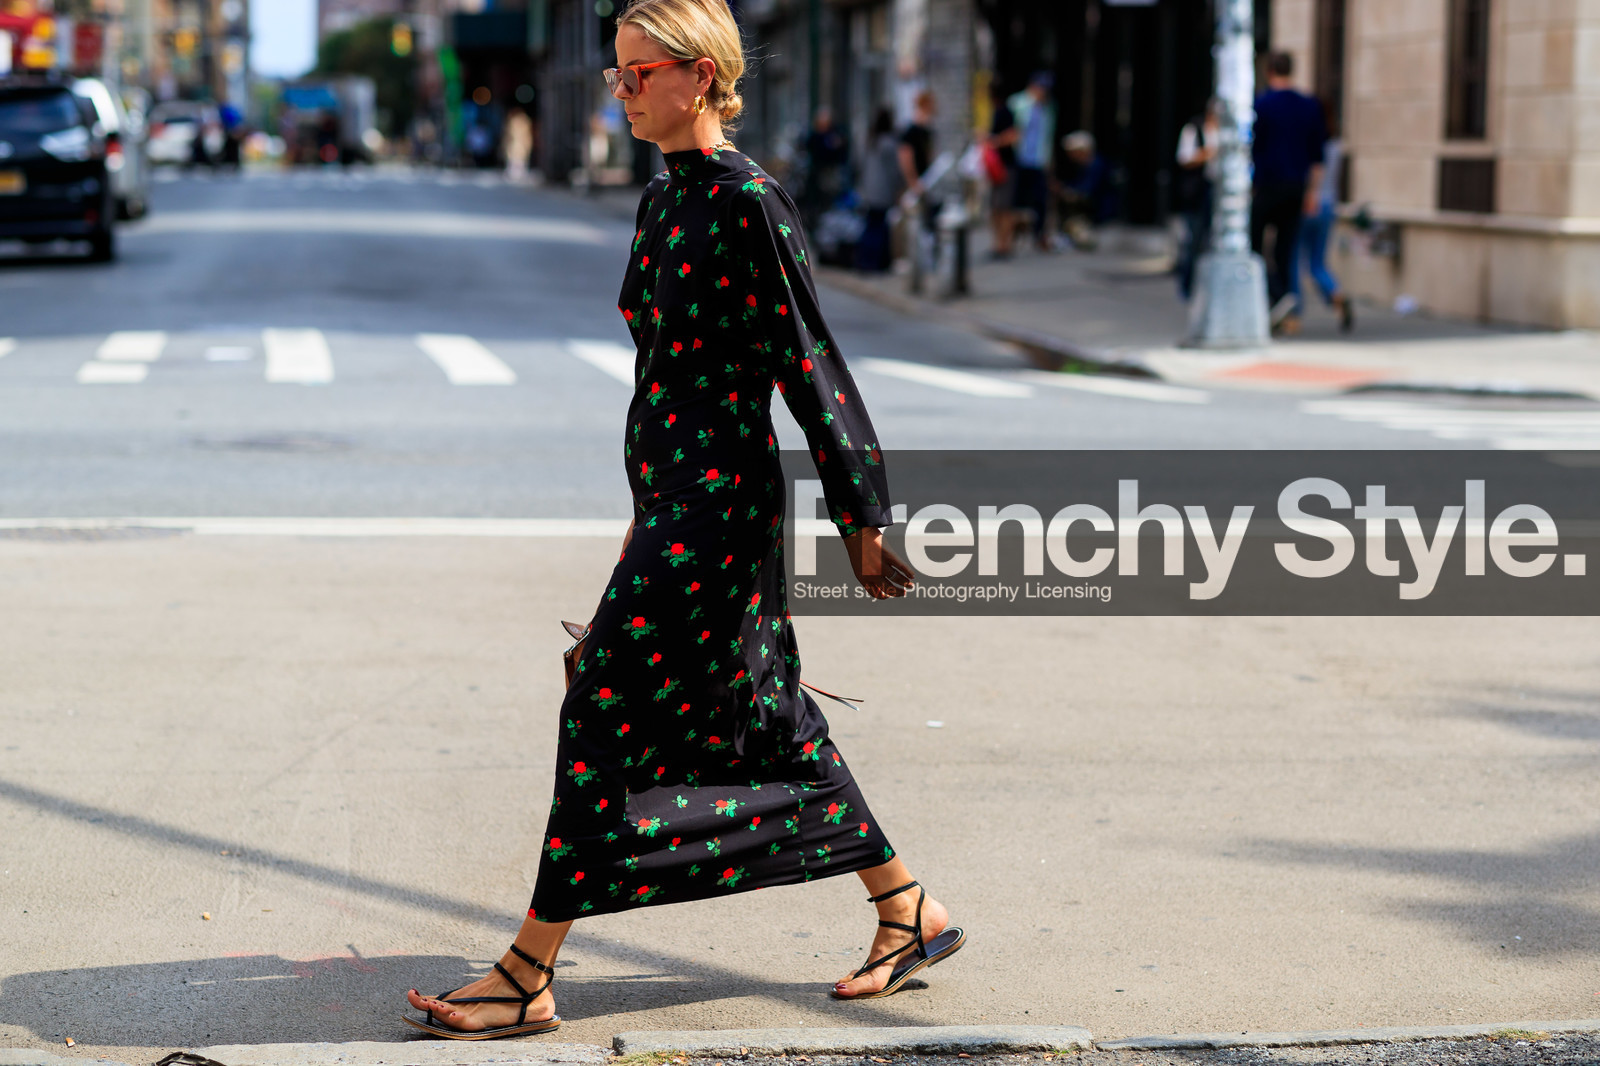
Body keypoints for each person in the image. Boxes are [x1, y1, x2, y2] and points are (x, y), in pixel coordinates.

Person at [402, 0, 964, 1040]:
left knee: (601, 701)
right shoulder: (663, 200)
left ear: (698, 75)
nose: (620, 90)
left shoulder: (750, 201)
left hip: (720, 506)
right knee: (761, 713)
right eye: (614, 74)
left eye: (635, 73)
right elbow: (659, 373)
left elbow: (807, 359)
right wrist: (639, 514)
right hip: (673, 498)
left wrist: (862, 512)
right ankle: (907, 906)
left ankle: (530, 968)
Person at [1250, 51, 1328, 335]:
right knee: (1285, 249)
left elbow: (1251, 148)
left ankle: (1278, 296)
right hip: (1297, 188)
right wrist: (1313, 193)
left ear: (1270, 72)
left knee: (1253, 245)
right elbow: (1318, 156)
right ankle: (1287, 312)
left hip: (1268, 185)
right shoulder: (1309, 105)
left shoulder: (1261, 104)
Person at [1290, 100, 1354, 333]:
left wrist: (1309, 196)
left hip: (1309, 205)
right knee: (1317, 262)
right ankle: (1336, 294)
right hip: (1329, 206)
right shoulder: (1335, 145)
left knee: (1295, 262)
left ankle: (1294, 315)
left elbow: (1312, 171)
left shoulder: (1310, 145)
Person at [1174, 99, 1220, 302]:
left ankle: (1208, 286)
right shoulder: (1194, 129)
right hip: (1198, 192)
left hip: (1217, 191)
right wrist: (1206, 154)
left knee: (1212, 241)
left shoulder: (1227, 131)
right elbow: (1184, 158)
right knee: (1194, 240)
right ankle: (1187, 286)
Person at [1006, 71, 1056, 253]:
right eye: (1041, 87)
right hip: (1019, 158)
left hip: (1038, 159)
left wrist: (1049, 160)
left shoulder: (1048, 108)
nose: (1043, 92)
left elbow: (1048, 135)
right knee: (1015, 200)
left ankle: (1039, 236)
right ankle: (1010, 237)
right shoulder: (1017, 103)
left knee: (1040, 200)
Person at [855, 106, 905, 273]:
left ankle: (865, 261)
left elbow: (859, 165)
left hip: (868, 190)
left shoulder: (870, 140)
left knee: (870, 226)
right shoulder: (889, 143)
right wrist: (898, 189)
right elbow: (894, 171)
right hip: (882, 191)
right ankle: (877, 263)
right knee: (879, 228)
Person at [798, 106, 850, 235]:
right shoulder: (815, 136)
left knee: (831, 203)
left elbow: (841, 152)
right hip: (816, 175)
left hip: (830, 175)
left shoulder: (834, 134)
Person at [898, 89, 940, 242]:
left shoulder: (927, 130)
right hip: (917, 184)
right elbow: (905, 157)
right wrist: (913, 182)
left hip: (926, 182)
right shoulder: (911, 130)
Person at [985, 80, 1019, 259]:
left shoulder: (1005, 111)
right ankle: (998, 243)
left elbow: (1014, 135)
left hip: (1005, 165)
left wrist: (995, 141)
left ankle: (1005, 245)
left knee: (1004, 207)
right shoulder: (996, 111)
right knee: (996, 207)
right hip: (996, 166)